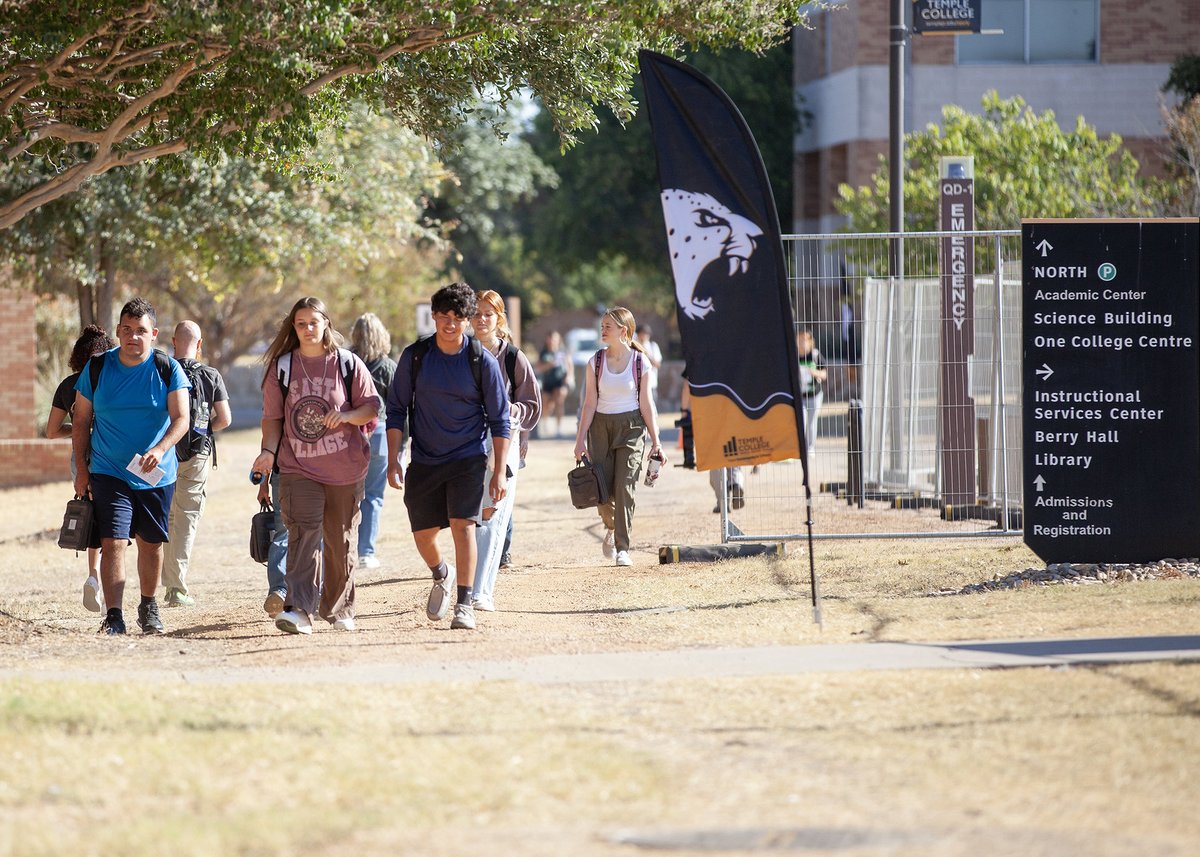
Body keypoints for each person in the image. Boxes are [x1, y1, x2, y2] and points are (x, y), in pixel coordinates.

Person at [249, 297, 380, 635]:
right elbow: (273, 418)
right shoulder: (282, 367)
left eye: (313, 322)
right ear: (294, 328)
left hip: (344, 469)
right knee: (303, 536)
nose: (308, 329)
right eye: (301, 323)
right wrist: (268, 452)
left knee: (340, 540)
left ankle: (338, 609)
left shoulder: (347, 363)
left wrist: (348, 416)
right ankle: (299, 610)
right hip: (298, 468)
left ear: (326, 323)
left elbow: (371, 407)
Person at [385, 282, 510, 632]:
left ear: (468, 320)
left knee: (463, 525)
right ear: (434, 317)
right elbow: (395, 410)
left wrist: (498, 472)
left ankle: (465, 603)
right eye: (443, 316)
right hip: (424, 459)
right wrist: (394, 457)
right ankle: (441, 572)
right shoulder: (416, 356)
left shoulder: (480, 360)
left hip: (468, 457)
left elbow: (501, 420)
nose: (450, 324)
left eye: (458, 317)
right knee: (423, 533)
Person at [72, 298, 191, 636]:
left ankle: (149, 606)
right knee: (114, 542)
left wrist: (161, 448)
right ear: (118, 332)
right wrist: (82, 470)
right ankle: (113, 615)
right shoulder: (97, 368)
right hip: (110, 471)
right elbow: (80, 421)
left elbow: (182, 418)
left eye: (141, 331)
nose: (133, 337)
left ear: (153, 334)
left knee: (151, 543)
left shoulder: (167, 369)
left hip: (156, 473)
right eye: (126, 330)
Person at [573, 307, 667, 567]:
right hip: (600, 428)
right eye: (602, 326)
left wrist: (657, 442)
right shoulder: (596, 362)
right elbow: (589, 404)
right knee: (602, 491)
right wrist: (580, 440)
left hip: (632, 427)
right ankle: (612, 526)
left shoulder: (640, 362)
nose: (602, 330)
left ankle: (623, 547)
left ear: (623, 331)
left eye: (608, 327)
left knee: (625, 486)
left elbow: (647, 405)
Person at [469, 290, 541, 612]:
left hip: (504, 444)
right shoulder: (460, 355)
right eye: (477, 313)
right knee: (470, 517)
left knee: (494, 516)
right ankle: (468, 585)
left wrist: (512, 411)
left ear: (500, 318)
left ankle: (482, 591)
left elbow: (532, 404)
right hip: (466, 444)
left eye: (489, 313)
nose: (482, 319)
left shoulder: (513, 358)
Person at [160, 321, 232, 607]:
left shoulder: (161, 370)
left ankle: (166, 581)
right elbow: (225, 418)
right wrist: (205, 431)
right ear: (199, 345)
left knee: (167, 515)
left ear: (173, 341)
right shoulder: (211, 375)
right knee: (187, 517)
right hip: (197, 453)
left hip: (164, 450)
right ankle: (176, 587)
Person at [46, 324, 116, 614]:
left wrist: (77, 428)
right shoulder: (112, 381)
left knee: (90, 514)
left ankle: (93, 576)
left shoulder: (68, 385)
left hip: (80, 457)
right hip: (111, 454)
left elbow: (50, 431)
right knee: (114, 516)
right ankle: (115, 584)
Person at [350, 312, 397, 570]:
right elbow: (401, 408)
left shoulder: (347, 363)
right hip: (380, 432)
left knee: (348, 495)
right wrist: (400, 448)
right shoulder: (388, 367)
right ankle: (366, 551)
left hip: (351, 432)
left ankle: (345, 545)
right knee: (373, 496)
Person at [797, 329, 828, 459]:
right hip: (800, 396)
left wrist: (813, 372)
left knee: (811, 422)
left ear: (810, 342)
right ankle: (800, 448)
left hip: (814, 395)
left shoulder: (815, 355)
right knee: (801, 421)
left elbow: (825, 374)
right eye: (799, 340)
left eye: (804, 340)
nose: (801, 343)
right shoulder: (794, 356)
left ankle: (810, 447)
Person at [535, 331, 572, 438]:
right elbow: (539, 368)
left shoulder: (563, 352)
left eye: (554, 339)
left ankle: (558, 428)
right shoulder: (543, 353)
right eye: (550, 338)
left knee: (559, 402)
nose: (552, 341)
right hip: (548, 382)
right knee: (546, 404)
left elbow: (569, 365)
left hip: (560, 381)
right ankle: (545, 422)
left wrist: (569, 377)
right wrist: (549, 365)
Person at [635, 323, 664, 407]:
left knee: (651, 408)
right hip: (636, 385)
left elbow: (657, 364)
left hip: (651, 384)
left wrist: (644, 353)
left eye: (646, 334)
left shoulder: (653, 346)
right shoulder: (633, 347)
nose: (644, 336)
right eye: (642, 333)